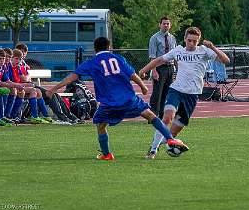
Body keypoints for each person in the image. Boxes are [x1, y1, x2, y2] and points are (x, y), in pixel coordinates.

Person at [46, 37, 189, 160]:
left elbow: (73, 77)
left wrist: (53, 89)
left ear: (95, 49)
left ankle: (107, 154)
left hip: (109, 103)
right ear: (109, 47)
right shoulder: (118, 58)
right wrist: (143, 86)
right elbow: (132, 74)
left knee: (101, 125)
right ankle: (170, 139)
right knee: (151, 116)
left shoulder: (92, 62)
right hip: (128, 98)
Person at [139, 27, 230, 159]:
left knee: (172, 133)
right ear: (184, 39)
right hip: (176, 90)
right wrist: (143, 70)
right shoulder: (178, 50)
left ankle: (164, 143)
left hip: (192, 95)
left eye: (195, 41)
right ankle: (153, 150)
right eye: (189, 40)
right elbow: (160, 60)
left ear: (198, 41)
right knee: (167, 118)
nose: (192, 43)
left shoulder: (204, 51)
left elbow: (225, 60)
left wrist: (213, 47)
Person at [148, 16, 177, 119]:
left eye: (167, 24)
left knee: (167, 93)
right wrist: (154, 71)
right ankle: (152, 116)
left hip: (170, 67)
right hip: (159, 68)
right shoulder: (154, 38)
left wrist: (176, 70)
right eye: (164, 23)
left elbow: (175, 54)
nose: (166, 25)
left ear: (170, 25)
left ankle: (161, 115)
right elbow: (152, 56)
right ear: (159, 25)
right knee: (157, 93)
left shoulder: (172, 38)